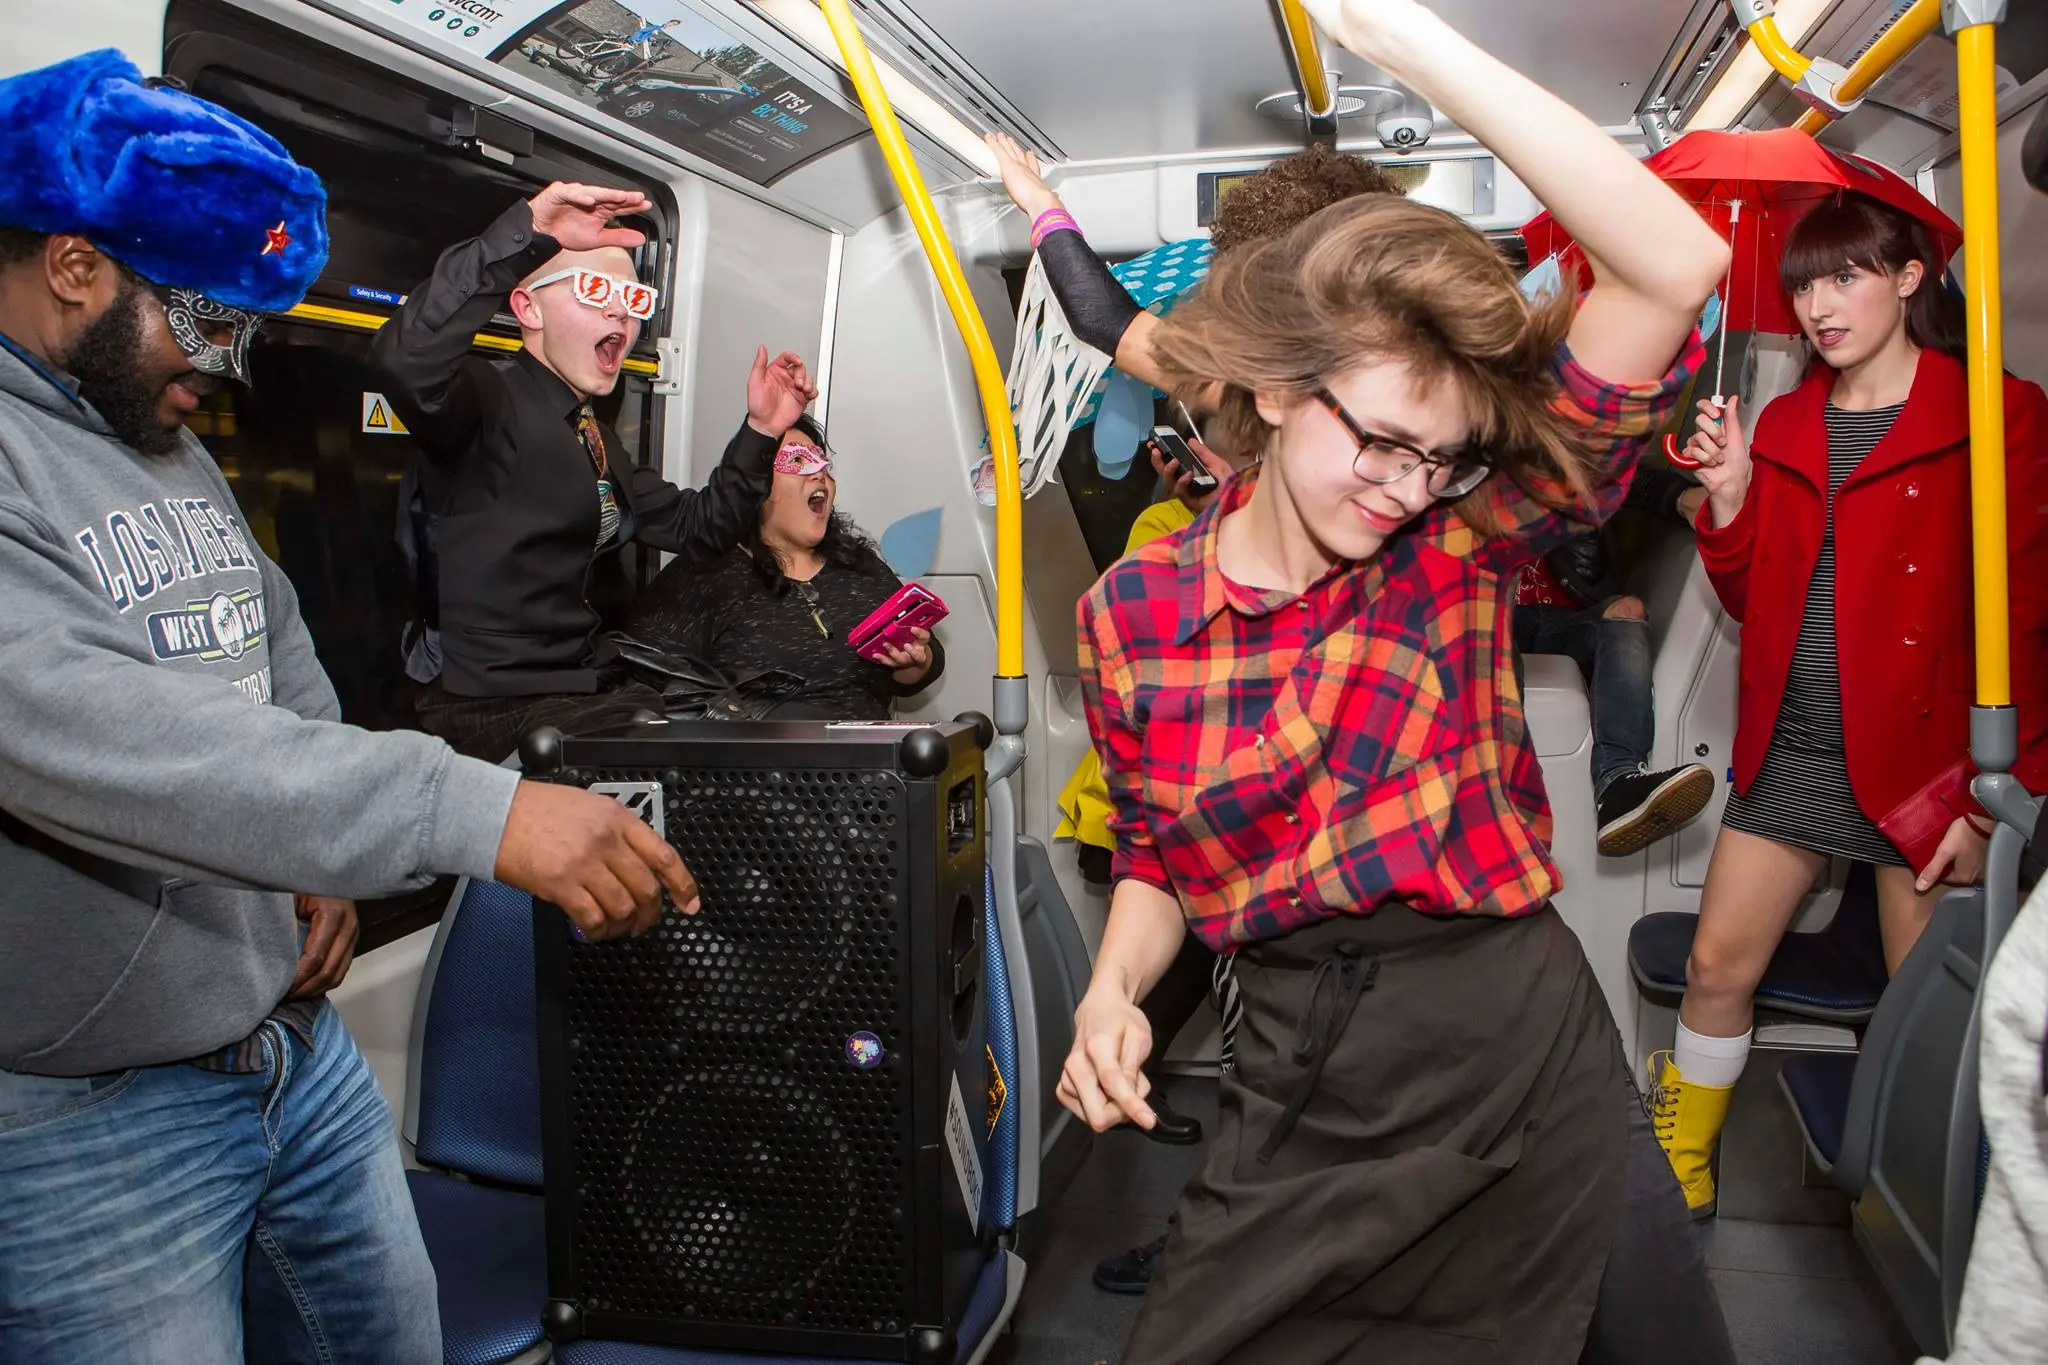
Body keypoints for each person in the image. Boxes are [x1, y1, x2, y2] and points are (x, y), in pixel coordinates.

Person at [1062, 0, 1741, 1357]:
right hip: (1298, 1072)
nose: (1403, 488)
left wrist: (1410, 43)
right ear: (1272, 392)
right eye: (1378, 442)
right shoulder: (1130, 613)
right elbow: (1151, 854)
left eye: (1439, 456)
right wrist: (1110, 992)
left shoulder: (1459, 543)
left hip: (1514, 1045)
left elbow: (1674, 267)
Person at [0, 50, 698, 1365]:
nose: (226, 368)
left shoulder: (158, 439)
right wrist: (473, 809)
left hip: (287, 1045)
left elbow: (267, 634)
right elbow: (103, 732)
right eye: (207, 322)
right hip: (90, 1112)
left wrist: (314, 866)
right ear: (77, 266)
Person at [1653, 189, 2048, 1218]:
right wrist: (1730, 497)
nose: (1818, 307)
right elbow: (1755, 599)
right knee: (1713, 965)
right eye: (1803, 286)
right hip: (1795, 744)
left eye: (1843, 277)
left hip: (1927, 764)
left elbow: (2029, 615)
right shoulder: (1786, 420)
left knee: (1919, 1010)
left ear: (1909, 278)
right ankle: (1679, 1170)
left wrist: (1992, 797)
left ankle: (1921, 1212)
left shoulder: (1994, 415)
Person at [373, 181, 815, 762]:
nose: (619, 312)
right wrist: (527, 231)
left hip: (575, 683)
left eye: (632, 300)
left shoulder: (592, 435)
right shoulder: (486, 399)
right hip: (489, 702)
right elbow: (407, 360)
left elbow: (702, 529)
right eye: (594, 290)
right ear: (528, 308)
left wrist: (761, 430)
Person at [624, 415, 942, 720]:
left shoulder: (859, 566)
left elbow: (920, 668)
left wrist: (914, 663)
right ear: (755, 486)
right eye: (799, 461)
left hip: (871, 752)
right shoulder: (706, 572)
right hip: (766, 755)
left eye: (823, 464)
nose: (819, 474)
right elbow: (641, 673)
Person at [1513, 463, 1716, 856]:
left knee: (1627, 609)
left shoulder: (1561, 463)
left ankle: (1619, 784)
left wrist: (1683, 498)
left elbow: (1621, 475)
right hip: (1496, 621)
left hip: (1562, 622)